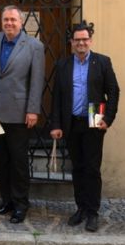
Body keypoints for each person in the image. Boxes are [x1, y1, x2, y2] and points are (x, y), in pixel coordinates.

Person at [49, 23, 120, 232]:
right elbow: (56, 97)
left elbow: (113, 91)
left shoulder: (102, 62)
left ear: (90, 40)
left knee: (92, 169)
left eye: (85, 39)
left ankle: (92, 212)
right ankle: (80, 208)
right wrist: (56, 124)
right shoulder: (63, 64)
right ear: (72, 42)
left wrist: (108, 118)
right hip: (71, 122)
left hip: (94, 121)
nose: (81, 43)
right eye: (77, 39)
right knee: (78, 168)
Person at [0, 5, 45, 224]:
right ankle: (7, 200)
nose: (9, 23)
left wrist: (33, 109)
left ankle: (20, 205)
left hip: (19, 112)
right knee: (0, 159)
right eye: (6, 20)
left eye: (13, 20)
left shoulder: (34, 46)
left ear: (21, 22)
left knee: (18, 161)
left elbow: (37, 80)